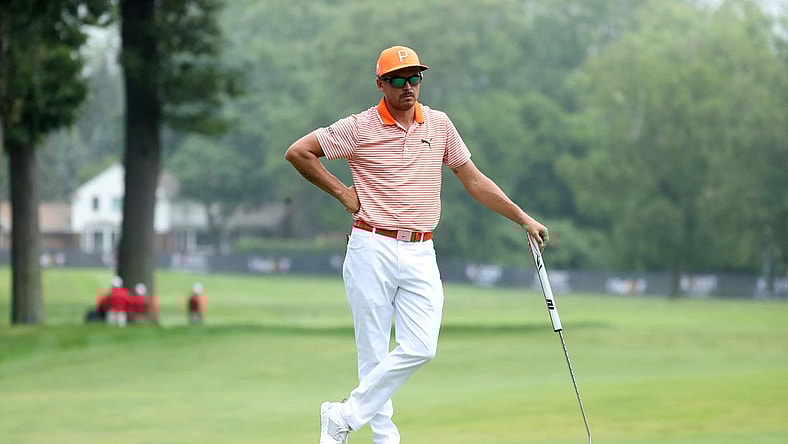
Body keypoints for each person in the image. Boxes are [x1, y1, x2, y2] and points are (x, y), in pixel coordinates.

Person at [285, 45, 549, 444]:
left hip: (421, 249)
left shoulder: (440, 125)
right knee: (373, 354)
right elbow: (299, 152)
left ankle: (342, 415)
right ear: (381, 84)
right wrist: (342, 193)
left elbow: (474, 180)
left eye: (415, 78)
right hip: (371, 245)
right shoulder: (359, 127)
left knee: (422, 346)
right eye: (397, 79)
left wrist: (523, 218)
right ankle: (383, 439)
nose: (408, 87)